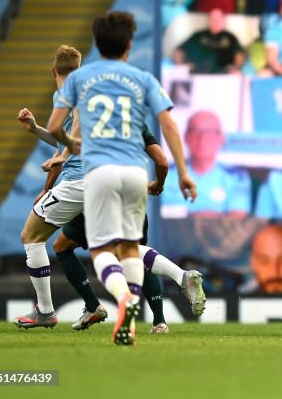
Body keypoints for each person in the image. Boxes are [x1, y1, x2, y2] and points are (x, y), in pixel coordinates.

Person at [13, 46, 204, 334]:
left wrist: (61, 162)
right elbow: (67, 141)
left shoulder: (73, 94)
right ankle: (179, 279)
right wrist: (38, 130)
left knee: (31, 237)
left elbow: (72, 135)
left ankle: (46, 311)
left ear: (54, 71)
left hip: (81, 182)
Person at [49, 11, 197, 346]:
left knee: (102, 251)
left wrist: (71, 147)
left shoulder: (79, 80)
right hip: (135, 174)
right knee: (131, 249)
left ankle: (125, 302)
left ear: (97, 44)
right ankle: (135, 312)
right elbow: (169, 127)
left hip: (100, 173)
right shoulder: (142, 80)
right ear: (129, 46)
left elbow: (59, 127)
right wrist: (183, 173)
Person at [161, 110, 251, 219]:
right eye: (196, 132)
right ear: (186, 137)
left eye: (210, 133)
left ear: (221, 139)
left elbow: (237, 218)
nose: (202, 139)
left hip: (217, 234)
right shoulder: (163, 173)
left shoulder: (237, 177)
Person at [171, 8, 245, 74]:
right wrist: (181, 66)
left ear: (223, 21)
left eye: (218, 19)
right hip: (198, 75)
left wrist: (236, 68)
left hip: (224, 76)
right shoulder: (198, 36)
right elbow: (179, 50)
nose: (215, 22)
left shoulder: (231, 38)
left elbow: (240, 55)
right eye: (213, 19)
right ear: (209, 21)